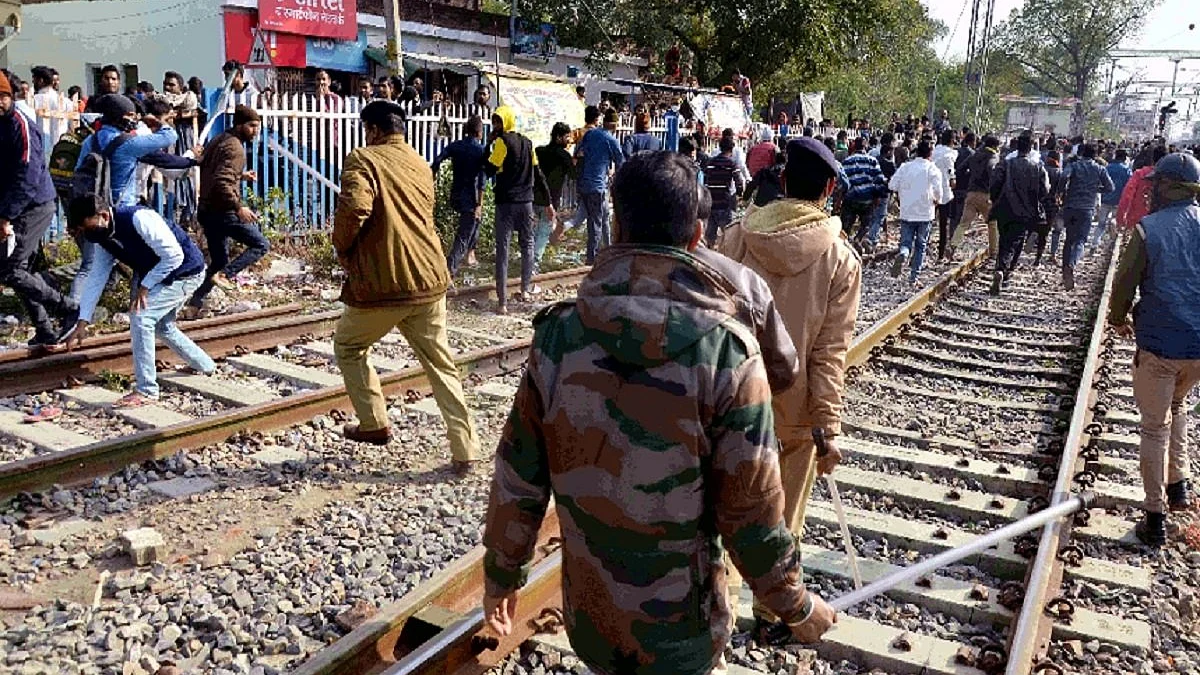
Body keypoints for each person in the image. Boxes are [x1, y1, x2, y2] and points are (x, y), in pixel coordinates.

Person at [480, 152, 837, 675]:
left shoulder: (557, 336)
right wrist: (795, 605)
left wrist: (502, 573)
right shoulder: (727, 355)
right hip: (683, 631)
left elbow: (519, 475)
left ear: (617, 227)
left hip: (592, 620)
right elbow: (752, 514)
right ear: (696, 237)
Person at [720, 137, 861, 635]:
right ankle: (772, 610)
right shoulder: (840, 261)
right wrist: (828, 423)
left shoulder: (737, 238)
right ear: (828, 189)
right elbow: (829, 353)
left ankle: (719, 602)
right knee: (780, 513)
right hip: (794, 409)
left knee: (724, 500)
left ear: (781, 181)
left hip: (728, 395)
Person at [330, 100, 480, 474]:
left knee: (349, 345)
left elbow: (355, 208)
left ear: (375, 130)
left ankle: (373, 422)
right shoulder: (417, 161)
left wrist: (343, 248)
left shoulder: (363, 159)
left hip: (385, 283)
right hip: (430, 278)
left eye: (366, 129)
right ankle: (466, 449)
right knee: (441, 364)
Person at [1106, 152, 1200, 546]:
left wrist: (1117, 319)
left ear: (1165, 186)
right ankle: (1179, 483)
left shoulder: (1148, 229)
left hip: (1160, 343)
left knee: (1153, 427)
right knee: (1180, 407)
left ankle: (1155, 515)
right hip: (1197, 348)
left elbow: (1125, 283)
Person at [64, 195, 215, 407]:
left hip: (186, 272)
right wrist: (83, 320)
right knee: (162, 325)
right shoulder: (103, 237)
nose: (85, 234)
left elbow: (174, 256)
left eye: (85, 227)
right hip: (158, 273)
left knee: (141, 317)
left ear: (104, 215)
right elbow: (96, 276)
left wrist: (146, 286)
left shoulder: (139, 218)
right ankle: (204, 365)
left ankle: (147, 390)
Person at [0, 73, 80, 348]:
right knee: (22, 271)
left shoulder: (20, 125)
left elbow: (28, 174)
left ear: (10, 97)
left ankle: (67, 308)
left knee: (10, 269)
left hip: (33, 204)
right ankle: (45, 331)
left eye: (2, 97)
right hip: (16, 205)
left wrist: (6, 215)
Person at [180, 105, 266, 318]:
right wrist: (239, 208)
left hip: (206, 210)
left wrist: (241, 176)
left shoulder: (219, 139)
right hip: (223, 212)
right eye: (252, 126)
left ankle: (195, 304)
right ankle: (226, 276)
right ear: (240, 125)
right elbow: (221, 182)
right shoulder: (235, 148)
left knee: (218, 260)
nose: (256, 131)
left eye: (258, 127)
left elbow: (210, 168)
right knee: (261, 244)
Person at [484, 105, 552, 314]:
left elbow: (489, 169)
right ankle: (524, 289)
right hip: (526, 203)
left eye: (498, 121)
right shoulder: (528, 143)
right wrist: (548, 201)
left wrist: (489, 145)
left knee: (503, 250)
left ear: (505, 122)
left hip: (506, 203)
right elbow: (537, 173)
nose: (496, 125)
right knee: (528, 244)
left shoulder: (502, 143)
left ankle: (503, 302)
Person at [988, 134, 1049, 295]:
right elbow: (1045, 190)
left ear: (1017, 147)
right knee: (1016, 241)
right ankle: (1004, 270)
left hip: (1004, 208)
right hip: (1024, 211)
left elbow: (994, 184)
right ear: (1030, 148)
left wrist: (996, 199)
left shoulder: (1005, 164)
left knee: (1004, 239)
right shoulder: (1037, 166)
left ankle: (1001, 268)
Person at [432, 115, 488, 277]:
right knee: (464, 234)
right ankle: (449, 270)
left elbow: (438, 159)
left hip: (456, 195)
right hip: (471, 198)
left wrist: (433, 175)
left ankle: (470, 256)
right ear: (479, 132)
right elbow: (482, 181)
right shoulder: (480, 151)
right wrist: (479, 204)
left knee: (476, 222)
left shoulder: (456, 146)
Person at [889, 140, 944, 284]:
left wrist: (904, 191)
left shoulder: (905, 167)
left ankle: (903, 254)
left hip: (907, 211)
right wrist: (936, 199)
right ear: (930, 154)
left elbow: (892, 185)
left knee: (906, 242)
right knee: (921, 245)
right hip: (925, 213)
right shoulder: (932, 169)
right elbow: (938, 191)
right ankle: (914, 277)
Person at [1060, 144, 1113, 290]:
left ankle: (1065, 270)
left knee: (1069, 239)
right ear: (1095, 155)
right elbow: (1110, 187)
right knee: (1081, 241)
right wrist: (1095, 188)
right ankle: (1072, 264)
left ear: (1082, 153)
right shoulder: (1099, 169)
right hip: (1087, 208)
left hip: (1071, 206)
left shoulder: (1074, 165)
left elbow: (1064, 176)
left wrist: (1061, 191)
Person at [574, 108, 623, 263]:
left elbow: (577, 151)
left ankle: (607, 252)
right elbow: (621, 162)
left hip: (584, 184)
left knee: (601, 219)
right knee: (596, 222)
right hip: (597, 186)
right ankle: (592, 259)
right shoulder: (611, 140)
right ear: (615, 124)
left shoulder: (590, 134)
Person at [947, 134, 1001, 259]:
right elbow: (992, 173)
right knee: (992, 224)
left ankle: (952, 245)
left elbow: (959, 169)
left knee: (963, 223)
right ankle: (994, 252)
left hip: (971, 194)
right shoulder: (994, 157)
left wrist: (969, 178)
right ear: (994, 146)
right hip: (986, 195)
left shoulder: (974, 155)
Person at [533, 122, 573, 269]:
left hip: (534, 197)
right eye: (566, 137)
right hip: (550, 201)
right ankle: (534, 264)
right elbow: (574, 175)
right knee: (543, 231)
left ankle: (529, 258)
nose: (568, 140)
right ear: (558, 137)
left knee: (535, 231)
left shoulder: (539, 151)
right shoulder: (564, 156)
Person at [839, 137, 886, 247]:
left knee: (846, 225)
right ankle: (858, 239)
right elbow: (879, 180)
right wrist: (878, 197)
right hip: (867, 199)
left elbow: (842, 182)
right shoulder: (872, 161)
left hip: (851, 198)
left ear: (854, 147)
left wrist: (840, 198)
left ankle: (845, 244)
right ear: (865, 147)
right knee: (866, 224)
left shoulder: (846, 161)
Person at [702, 136, 745, 247]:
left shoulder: (710, 163)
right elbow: (739, 181)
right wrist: (740, 194)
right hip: (724, 203)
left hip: (711, 203)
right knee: (728, 235)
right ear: (731, 149)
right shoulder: (731, 164)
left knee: (709, 237)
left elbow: (705, 181)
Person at [1117, 144, 1168, 231]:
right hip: (1160, 226)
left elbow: (1127, 196)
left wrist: (1120, 218)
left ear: (1152, 158)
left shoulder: (1139, 174)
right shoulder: (1170, 179)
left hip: (1136, 222)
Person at [1093, 148, 1131, 249]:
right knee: (1115, 221)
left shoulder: (1108, 167)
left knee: (1101, 224)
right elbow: (1129, 186)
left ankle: (1095, 243)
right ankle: (1111, 243)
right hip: (1118, 200)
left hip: (1105, 198)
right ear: (1124, 158)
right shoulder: (1126, 170)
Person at [932, 129, 958, 261]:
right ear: (952, 140)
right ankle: (941, 254)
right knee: (943, 224)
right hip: (945, 193)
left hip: (930, 191)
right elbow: (951, 176)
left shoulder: (934, 151)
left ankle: (916, 253)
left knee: (926, 222)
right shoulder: (950, 154)